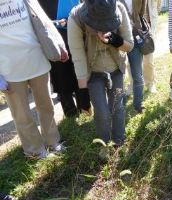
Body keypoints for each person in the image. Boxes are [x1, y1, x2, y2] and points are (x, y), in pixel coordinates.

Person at [0, 0, 67, 160]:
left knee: (46, 106)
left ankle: (53, 141)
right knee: (21, 114)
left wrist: (59, 44)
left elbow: (44, 21)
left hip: (37, 60)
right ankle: (35, 151)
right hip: (9, 70)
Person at [68, 0, 133, 147]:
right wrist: (83, 93)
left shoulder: (120, 8)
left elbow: (129, 45)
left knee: (117, 107)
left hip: (116, 67)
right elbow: (78, 58)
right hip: (93, 71)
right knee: (102, 113)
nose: (103, 28)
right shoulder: (76, 18)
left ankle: (119, 141)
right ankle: (104, 144)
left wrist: (115, 41)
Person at [38, 0, 91, 118]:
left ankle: (84, 110)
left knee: (79, 73)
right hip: (53, 42)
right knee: (61, 78)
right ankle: (70, 114)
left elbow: (81, 8)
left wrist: (71, 21)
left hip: (74, 35)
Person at [120, 0, 147, 113]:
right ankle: (120, 101)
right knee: (118, 74)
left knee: (137, 73)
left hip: (135, 36)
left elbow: (141, 13)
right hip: (118, 39)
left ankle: (138, 103)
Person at [143, 0, 161, 93]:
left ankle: (150, 83)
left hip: (148, 30)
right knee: (130, 63)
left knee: (148, 61)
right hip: (132, 28)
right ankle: (132, 84)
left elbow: (158, 5)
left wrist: (154, 17)